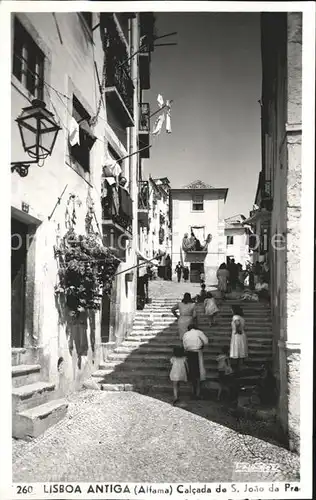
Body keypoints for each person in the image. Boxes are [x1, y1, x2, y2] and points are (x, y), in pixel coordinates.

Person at [182, 324, 209, 398]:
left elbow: (184, 345)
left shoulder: (185, 334)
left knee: (191, 371)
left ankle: (192, 391)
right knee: (199, 372)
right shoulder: (199, 332)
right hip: (197, 352)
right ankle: (198, 392)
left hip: (189, 353)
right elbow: (206, 341)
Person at [230, 305, 248, 371]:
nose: (231, 311)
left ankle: (238, 366)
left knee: (238, 348)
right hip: (242, 334)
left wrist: (238, 330)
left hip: (237, 334)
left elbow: (237, 323)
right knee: (241, 348)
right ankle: (241, 365)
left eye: (231, 309)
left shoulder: (235, 317)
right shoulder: (241, 317)